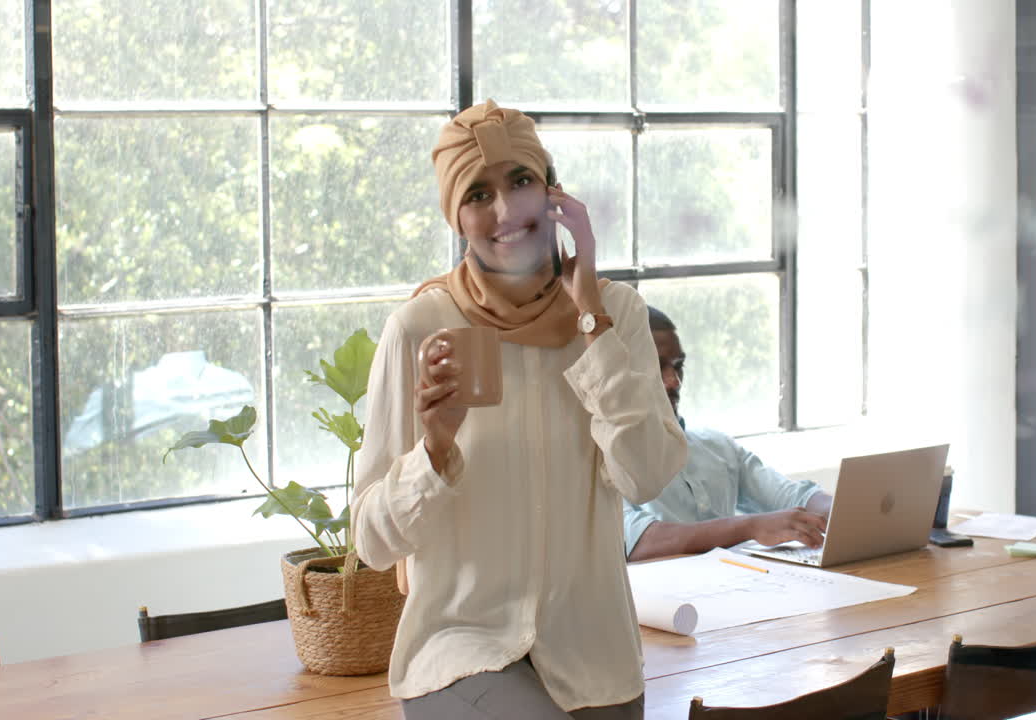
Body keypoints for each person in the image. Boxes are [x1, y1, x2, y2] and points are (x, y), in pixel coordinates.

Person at [351, 100, 687, 720]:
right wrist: (434, 451)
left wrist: (590, 317)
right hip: (459, 654)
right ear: (456, 216)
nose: (506, 211)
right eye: (478, 194)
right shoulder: (419, 327)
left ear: (553, 193)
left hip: (596, 664)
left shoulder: (619, 316)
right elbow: (370, 542)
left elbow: (645, 475)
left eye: (521, 181)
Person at [622, 306, 832, 562]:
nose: (674, 381)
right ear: (619, 375)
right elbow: (638, 541)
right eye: (657, 368)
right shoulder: (600, 468)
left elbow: (795, 498)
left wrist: (843, 510)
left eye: (678, 366)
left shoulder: (717, 447)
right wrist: (750, 527)